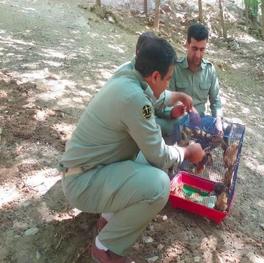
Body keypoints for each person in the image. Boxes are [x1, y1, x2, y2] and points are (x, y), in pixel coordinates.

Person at [59, 38, 205, 262]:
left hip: (85, 171)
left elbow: (153, 93)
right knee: (158, 185)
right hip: (83, 184)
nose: (168, 85)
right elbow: (160, 154)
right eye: (167, 79)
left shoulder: (127, 74)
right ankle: (105, 247)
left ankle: (107, 219)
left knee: (144, 161)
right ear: (155, 75)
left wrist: (177, 96)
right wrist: (186, 152)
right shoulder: (135, 100)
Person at [116, 31, 195, 138]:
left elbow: (155, 102)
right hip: (130, 131)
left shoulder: (142, 77)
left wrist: (170, 113)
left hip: (140, 120)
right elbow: (146, 114)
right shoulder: (134, 87)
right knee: (173, 126)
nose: (167, 85)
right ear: (139, 53)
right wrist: (184, 153)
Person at [156, 23, 224, 136]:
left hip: (201, 122)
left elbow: (216, 101)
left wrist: (218, 120)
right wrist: (178, 112)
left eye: (202, 50)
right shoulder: (174, 69)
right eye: (194, 48)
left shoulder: (209, 70)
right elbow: (165, 100)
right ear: (187, 44)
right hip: (179, 121)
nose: (197, 55)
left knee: (225, 129)